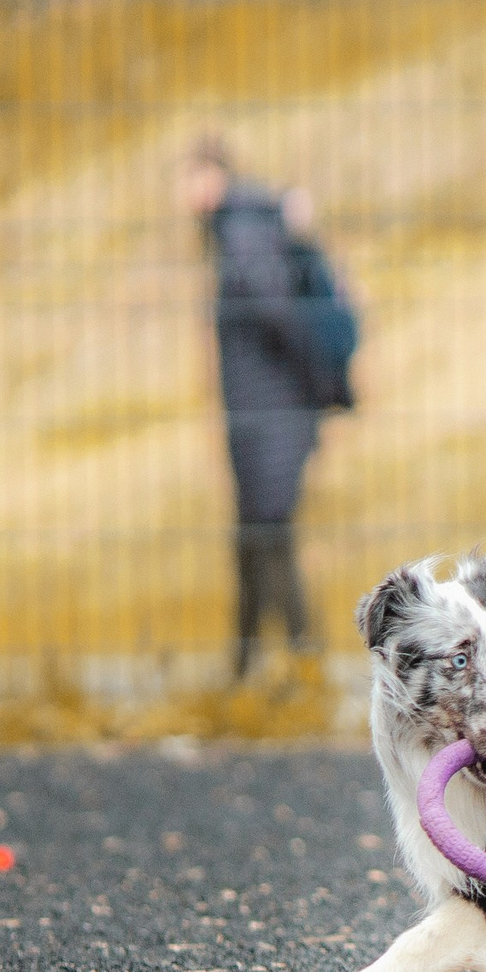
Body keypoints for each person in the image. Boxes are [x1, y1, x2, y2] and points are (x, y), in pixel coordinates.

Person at [177, 135, 340, 680]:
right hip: (263, 413)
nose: (182, 193)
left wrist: (311, 389)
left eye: (189, 177)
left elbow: (277, 314)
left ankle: (299, 659)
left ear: (212, 175)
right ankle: (251, 665)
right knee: (255, 537)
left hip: (270, 415)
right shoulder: (241, 229)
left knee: (268, 536)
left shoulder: (242, 233)